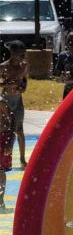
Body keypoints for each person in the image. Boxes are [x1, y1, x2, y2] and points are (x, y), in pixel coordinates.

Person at [0, 40, 29, 168]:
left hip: (17, 101)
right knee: (4, 129)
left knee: (20, 131)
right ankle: (3, 157)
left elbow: (24, 81)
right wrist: (8, 84)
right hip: (5, 101)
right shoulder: (3, 67)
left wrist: (23, 87)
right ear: (12, 53)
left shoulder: (24, 66)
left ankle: (22, 159)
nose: (22, 58)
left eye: (24, 54)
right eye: (20, 55)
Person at [0, 94, 15, 213]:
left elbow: (13, 118)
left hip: (2, 138)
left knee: (0, 171)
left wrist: (10, 141)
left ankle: (0, 201)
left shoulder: (1, 102)